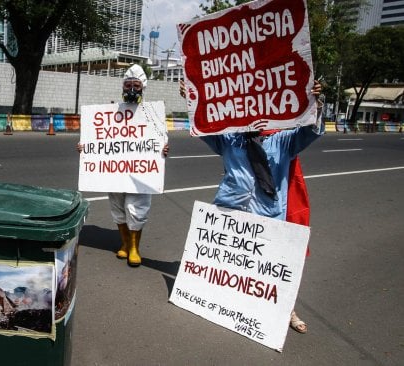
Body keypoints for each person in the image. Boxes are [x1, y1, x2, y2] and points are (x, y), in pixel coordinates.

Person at [180, 79, 323, 333]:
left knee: (273, 269)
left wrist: (315, 103)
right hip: (228, 211)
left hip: (268, 215)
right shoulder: (229, 140)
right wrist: (192, 99)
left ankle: (287, 309)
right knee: (224, 264)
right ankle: (218, 303)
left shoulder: (283, 140)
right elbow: (204, 128)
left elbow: (310, 131)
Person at [78, 64, 169, 267]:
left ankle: (135, 248)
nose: (131, 89)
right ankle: (126, 243)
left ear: (143, 87)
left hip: (140, 172)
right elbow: (97, 138)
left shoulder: (152, 113)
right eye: (128, 85)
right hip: (116, 172)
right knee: (117, 206)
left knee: (136, 208)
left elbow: (160, 139)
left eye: (135, 85)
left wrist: (163, 149)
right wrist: (86, 148)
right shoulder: (113, 112)